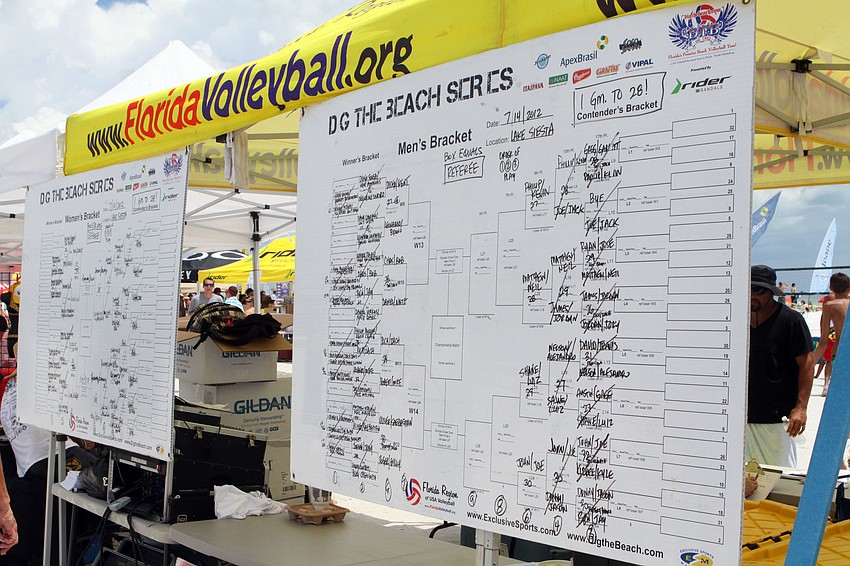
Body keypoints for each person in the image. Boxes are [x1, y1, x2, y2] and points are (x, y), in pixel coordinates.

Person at [748, 265, 814, 468]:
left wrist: (801, 408)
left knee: (779, 480)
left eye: (759, 290)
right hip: (740, 418)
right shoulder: (733, 319)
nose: (752, 295)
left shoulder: (791, 321)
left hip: (777, 421)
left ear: (771, 293)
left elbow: (807, 365)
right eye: (748, 288)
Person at [812, 272, 850, 394]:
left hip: (839, 350)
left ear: (831, 288)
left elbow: (823, 341)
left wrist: (810, 364)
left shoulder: (829, 305)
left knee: (840, 390)